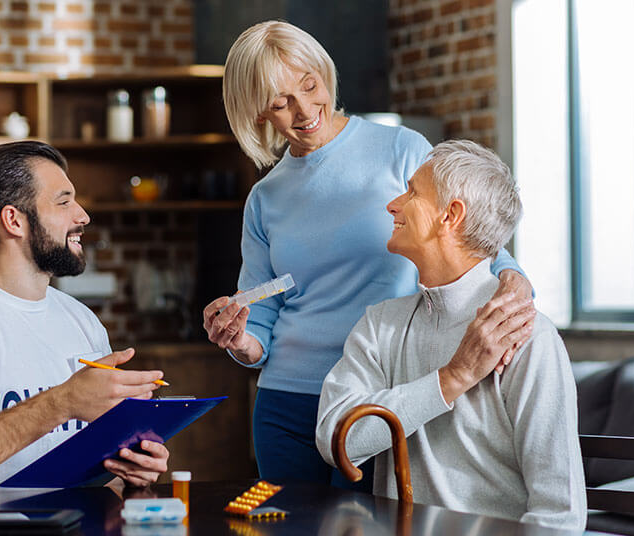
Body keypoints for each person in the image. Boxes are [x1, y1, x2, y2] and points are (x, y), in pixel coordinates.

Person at [202, 20, 534, 489]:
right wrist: (240, 340)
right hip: (285, 404)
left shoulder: (400, 149)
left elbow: (467, 234)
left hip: (380, 394)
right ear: (258, 113)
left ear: (323, 73)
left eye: (309, 85)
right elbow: (261, 323)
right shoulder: (264, 199)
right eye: (280, 103)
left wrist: (514, 278)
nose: (303, 110)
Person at [316, 140, 586, 530]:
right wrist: (451, 378)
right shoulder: (380, 325)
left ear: (450, 215)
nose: (393, 204)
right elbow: (333, 439)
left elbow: (560, 514)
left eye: (412, 192)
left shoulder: (529, 338)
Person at [0, 141, 169, 499]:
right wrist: (61, 403)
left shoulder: (82, 320)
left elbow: (104, 460)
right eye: (63, 202)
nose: (82, 216)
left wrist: (133, 465)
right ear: (14, 220)